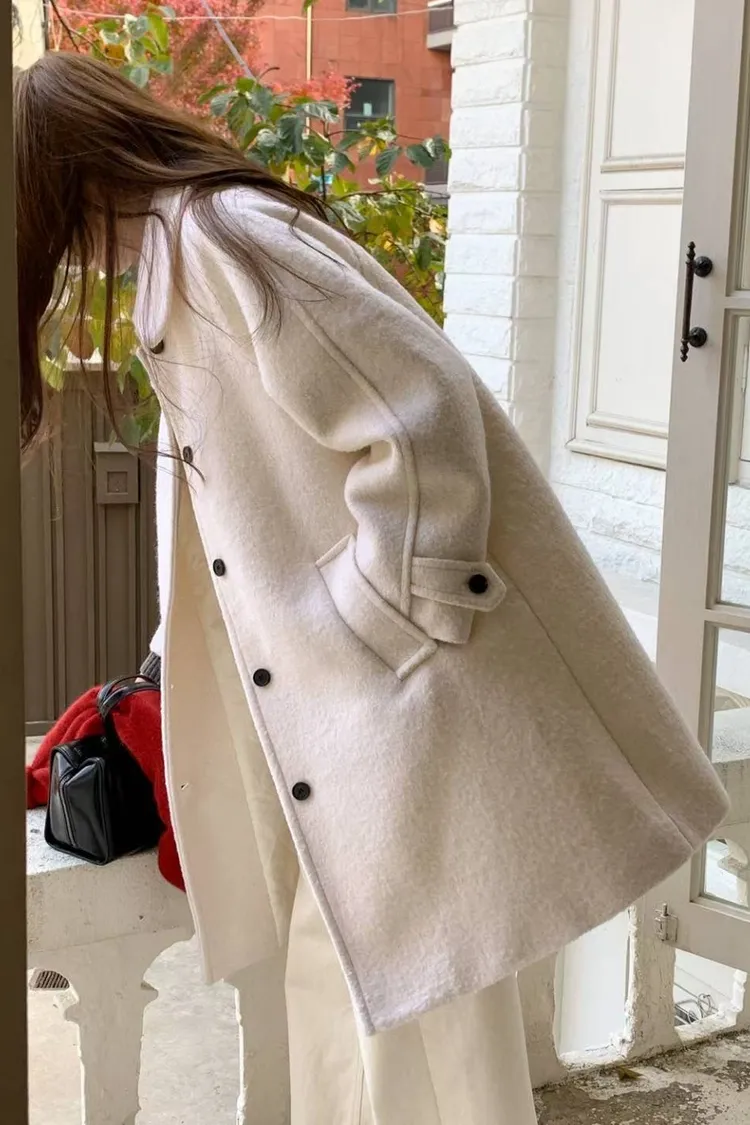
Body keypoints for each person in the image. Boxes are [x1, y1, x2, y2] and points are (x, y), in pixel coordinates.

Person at [14, 53, 729, 1125]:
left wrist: (372, 622)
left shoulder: (222, 239)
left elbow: (418, 408)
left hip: (388, 703)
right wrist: (180, 657)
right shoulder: (184, 257)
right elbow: (235, 508)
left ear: (70, 178)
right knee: (367, 1000)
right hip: (344, 716)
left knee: (422, 1016)